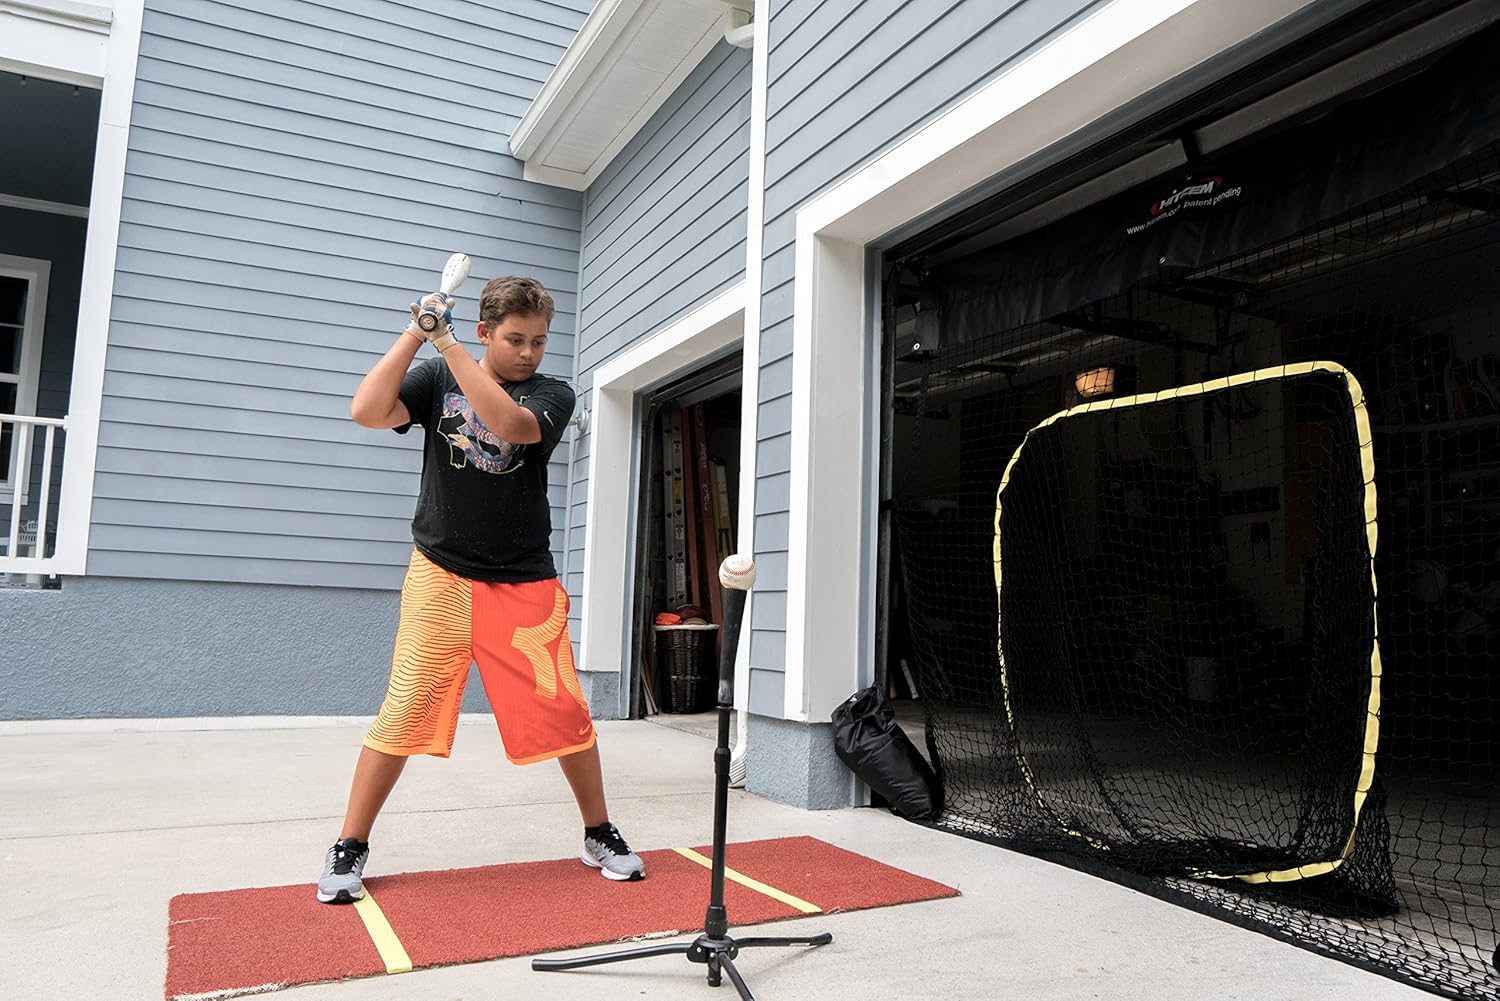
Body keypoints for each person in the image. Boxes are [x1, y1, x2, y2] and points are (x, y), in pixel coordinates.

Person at [317, 275, 644, 904]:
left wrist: (448, 349)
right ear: (485, 332)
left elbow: (511, 426)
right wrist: (417, 334)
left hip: (524, 580)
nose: (528, 352)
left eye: (539, 341)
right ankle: (350, 846)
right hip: (440, 572)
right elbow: (367, 410)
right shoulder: (438, 378)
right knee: (406, 708)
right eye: (516, 339)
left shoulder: (553, 393)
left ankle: (598, 832)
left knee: (563, 712)